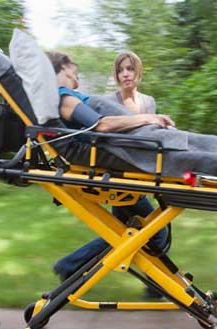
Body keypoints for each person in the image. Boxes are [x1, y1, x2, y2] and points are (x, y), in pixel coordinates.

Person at [50, 51, 173, 299]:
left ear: (138, 72)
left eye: (129, 69)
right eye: (120, 70)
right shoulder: (103, 101)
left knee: (123, 233)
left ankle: (72, 266)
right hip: (117, 172)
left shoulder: (148, 101)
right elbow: (103, 127)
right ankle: (157, 284)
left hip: (136, 172)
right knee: (146, 232)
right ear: (64, 68)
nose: (125, 74)